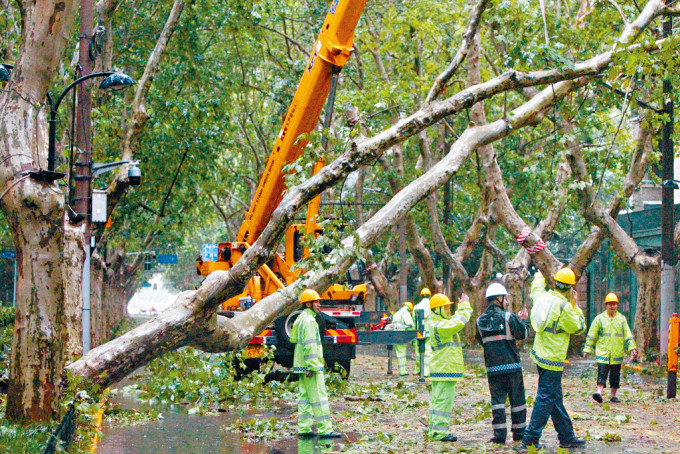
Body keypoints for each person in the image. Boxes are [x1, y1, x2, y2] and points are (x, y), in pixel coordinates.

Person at [521, 268, 587, 451]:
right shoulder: (564, 306)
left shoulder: (542, 296)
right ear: (570, 288)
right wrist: (575, 305)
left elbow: (535, 289)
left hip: (540, 355)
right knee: (546, 398)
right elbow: (579, 326)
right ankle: (530, 439)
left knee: (554, 397)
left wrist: (539, 275)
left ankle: (567, 436)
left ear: (555, 283)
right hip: (553, 359)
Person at [476, 283, 530, 444]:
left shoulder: (480, 321)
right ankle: (519, 433)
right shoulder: (508, 317)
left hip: (493, 368)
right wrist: (523, 321)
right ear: (499, 298)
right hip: (512, 367)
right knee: (517, 401)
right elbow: (523, 334)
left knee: (497, 402)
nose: (506, 301)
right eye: (505, 298)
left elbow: (481, 340)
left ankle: (499, 435)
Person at [291, 289, 341, 438]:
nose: (319, 304)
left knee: (305, 399)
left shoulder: (301, 318)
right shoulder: (309, 321)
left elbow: (295, 341)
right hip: (310, 367)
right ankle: (325, 430)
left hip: (301, 365)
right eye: (316, 302)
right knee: (319, 398)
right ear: (308, 304)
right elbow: (310, 345)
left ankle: (304, 429)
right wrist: (312, 367)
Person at [427, 292, 473, 442]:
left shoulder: (438, 323)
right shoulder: (439, 325)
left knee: (439, 400)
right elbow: (458, 323)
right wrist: (465, 306)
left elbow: (453, 321)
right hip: (443, 369)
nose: (448, 311)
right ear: (437, 309)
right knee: (443, 402)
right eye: (445, 308)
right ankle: (439, 432)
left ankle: (435, 430)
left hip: (442, 369)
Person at [583, 292, 638, 403]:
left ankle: (613, 395)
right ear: (606, 305)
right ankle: (599, 392)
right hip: (603, 353)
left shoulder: (621, 319)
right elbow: (591, 335)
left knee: (615, 376)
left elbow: (628, 334)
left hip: (617, 353)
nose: (612, 306)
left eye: (614, 304)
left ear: (617, 305)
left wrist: (632, 348)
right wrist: (587, 349)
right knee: (602, 373)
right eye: (610, 304)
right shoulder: (599, 319)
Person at [390, 301, 415, 376]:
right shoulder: (405, 313)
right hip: (401, 334)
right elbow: (410, 324)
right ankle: (403, 372)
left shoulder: (397, 313)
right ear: (409, 309)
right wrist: (412, 337)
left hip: (395, 334)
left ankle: (402, 370)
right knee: (403, 353)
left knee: (399, 353)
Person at [414, 288, 433, 376]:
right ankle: (427, 371)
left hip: (419, 331)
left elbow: (414, 320)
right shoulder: (432, 305)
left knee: (418, 350)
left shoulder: (417, 306)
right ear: (429, 295)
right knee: (428, 350)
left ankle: (418, 370)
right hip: (429, 330)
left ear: (421, 295)